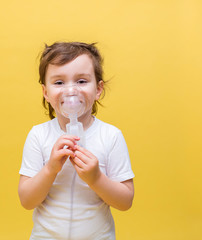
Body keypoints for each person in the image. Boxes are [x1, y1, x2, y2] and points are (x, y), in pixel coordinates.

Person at [18, 42, 135, 240]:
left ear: (98, 89)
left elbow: (125, 202)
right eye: (59, 83)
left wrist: (96, 178)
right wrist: (50, 169)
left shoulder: (111, 136)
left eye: (81, 81)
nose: (71, 90)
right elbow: (27, 200)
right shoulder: (38, 135)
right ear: (46, 92)